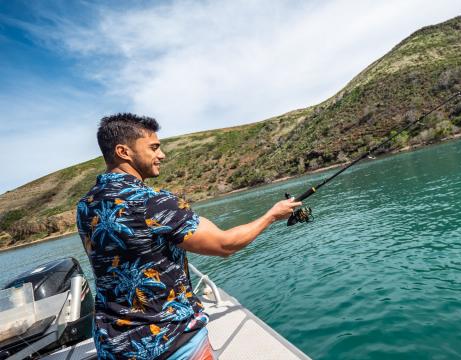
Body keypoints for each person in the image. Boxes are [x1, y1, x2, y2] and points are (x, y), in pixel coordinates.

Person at [76, 113, 301, 360]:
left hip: (113, 346)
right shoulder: (154, 203)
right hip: (171, 343)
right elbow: (225, 245)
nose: (161, 155)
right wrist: (272, 215)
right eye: (153, 148)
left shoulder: (85, 206)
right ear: (124, 152)